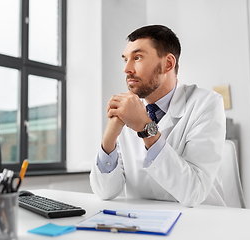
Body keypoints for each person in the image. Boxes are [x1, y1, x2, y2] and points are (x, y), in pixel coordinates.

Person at [90, 25, 226, 207]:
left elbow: (194, 192)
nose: (127, 69)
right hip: (145, 224)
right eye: (126, 60)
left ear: (168, 64)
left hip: (201, 222)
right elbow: (104, 192)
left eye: (137, 58)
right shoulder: (130, 109)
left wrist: (146, 128)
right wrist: (110, 135)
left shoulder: (206, 103)